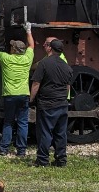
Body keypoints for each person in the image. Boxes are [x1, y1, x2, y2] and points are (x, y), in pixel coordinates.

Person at [0, 24, 34, 157]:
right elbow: (32, 46)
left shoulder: (6, 58)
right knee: (22, 123)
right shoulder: (27, 59)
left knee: (8, 122)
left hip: (10, 95)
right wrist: (29, 31)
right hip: (24, 95)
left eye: (12, 46)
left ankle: (4, 148)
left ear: (14, 49)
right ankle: (21, 151)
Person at [30, 37, 74, 167]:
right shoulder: (67, 67)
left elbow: (36, 83)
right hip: (62, 103)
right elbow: (67, 86)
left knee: (45, 132)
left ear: (50, 48)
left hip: (47, 103)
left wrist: (31, 99)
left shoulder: (44, 63)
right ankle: (61, 159)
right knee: (61, 133)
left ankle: (43, 160)